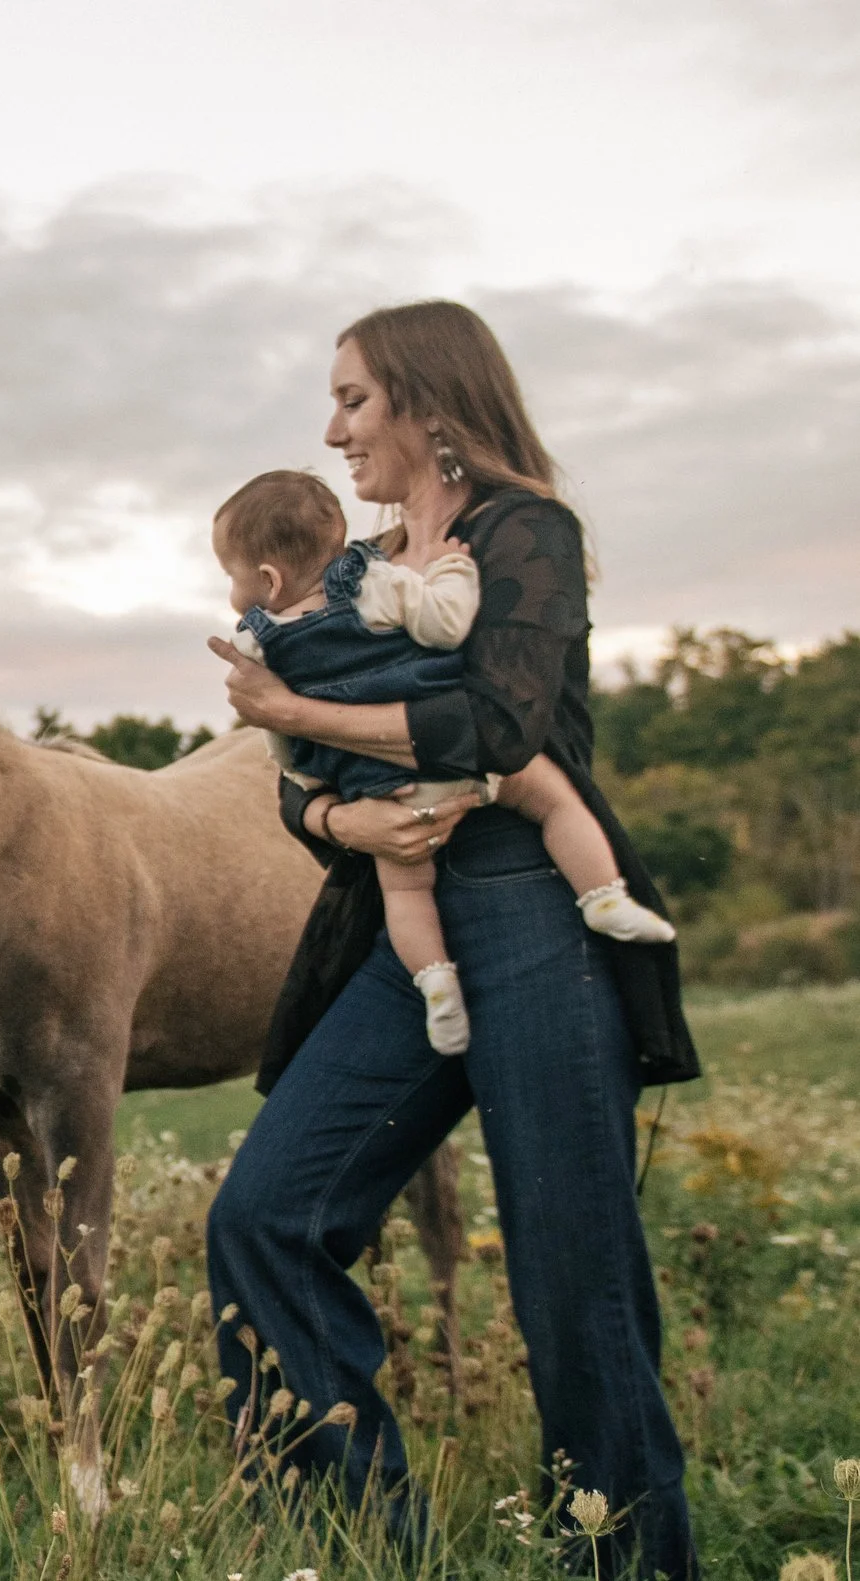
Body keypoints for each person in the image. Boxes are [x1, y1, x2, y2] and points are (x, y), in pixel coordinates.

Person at [204, 300, 701, 1577]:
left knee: (569, 1270)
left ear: (429, 404)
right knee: (266, 1217)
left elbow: (499, 724)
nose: (331, 432)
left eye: (353, 400)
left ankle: (630, 1566)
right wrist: (332, 810)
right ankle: (361, 1546)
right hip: (404, 926)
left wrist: (293, 706)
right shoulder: (358, 559)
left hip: (537, 908)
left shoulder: (524, 534)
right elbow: (283, 769)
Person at [211, 468, 673, 1054]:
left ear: (268, 579)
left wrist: (308, 777)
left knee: (406, 893)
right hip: (449, 755)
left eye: (231, 576)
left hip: (378, 790)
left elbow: (275, 729)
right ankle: (603, 896)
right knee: (555, 799)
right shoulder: (377, 583)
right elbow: (447, 624)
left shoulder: (258, 644)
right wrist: (452, 569)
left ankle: (436, 984)